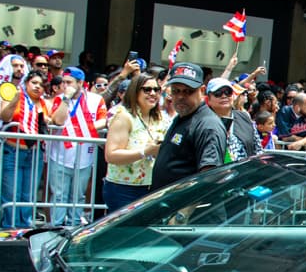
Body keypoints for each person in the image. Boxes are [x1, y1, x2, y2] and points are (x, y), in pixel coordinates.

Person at [150, 63, 227, 191]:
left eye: (188, 91)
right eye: (176, 91)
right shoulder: (183, 116)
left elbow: (208, 178)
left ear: (202, 91)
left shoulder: (207, 125)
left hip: (187, 208)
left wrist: (184, 211)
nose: (180, 97)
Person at [47, 67, 108, 225]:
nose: (66, 86)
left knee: (78, 195)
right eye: (64, 82)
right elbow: (58, 121)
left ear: (80, 83)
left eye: (69, 82)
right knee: (59, 194)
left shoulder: (96, 99)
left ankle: (73, 226)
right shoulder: (60, 98)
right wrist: (66, 99)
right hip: (60, 155)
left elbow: (104, 120)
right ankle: (56, 227)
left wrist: (84, 129)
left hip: (84, 157)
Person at [102, 74, 167, 212]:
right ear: (135, 91)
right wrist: (145, 152)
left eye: (157, 89)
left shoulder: (160, 118)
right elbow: (111, 155)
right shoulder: (124, 116)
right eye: (147, 90)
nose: (153, 93)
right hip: (123, 188)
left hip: (151, 186)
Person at [0, 72, 49, 227]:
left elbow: (53, 121)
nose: (37, 86)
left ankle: (24, 227)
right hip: (13, 151)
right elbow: (5, 117)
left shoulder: (43, 103)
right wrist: (15, 100)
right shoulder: (14, 96)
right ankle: (10, 228)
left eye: (41, 84)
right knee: (12, 193)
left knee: (28, 194)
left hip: (34, 153)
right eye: (34, 82)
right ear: (26, 83)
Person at [206, 77, 260, 162]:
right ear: (208, 99)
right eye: (218, 93)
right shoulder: (202, 122)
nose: (224, 96)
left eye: (228, 92)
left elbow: (258, 150)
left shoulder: (244, 117)